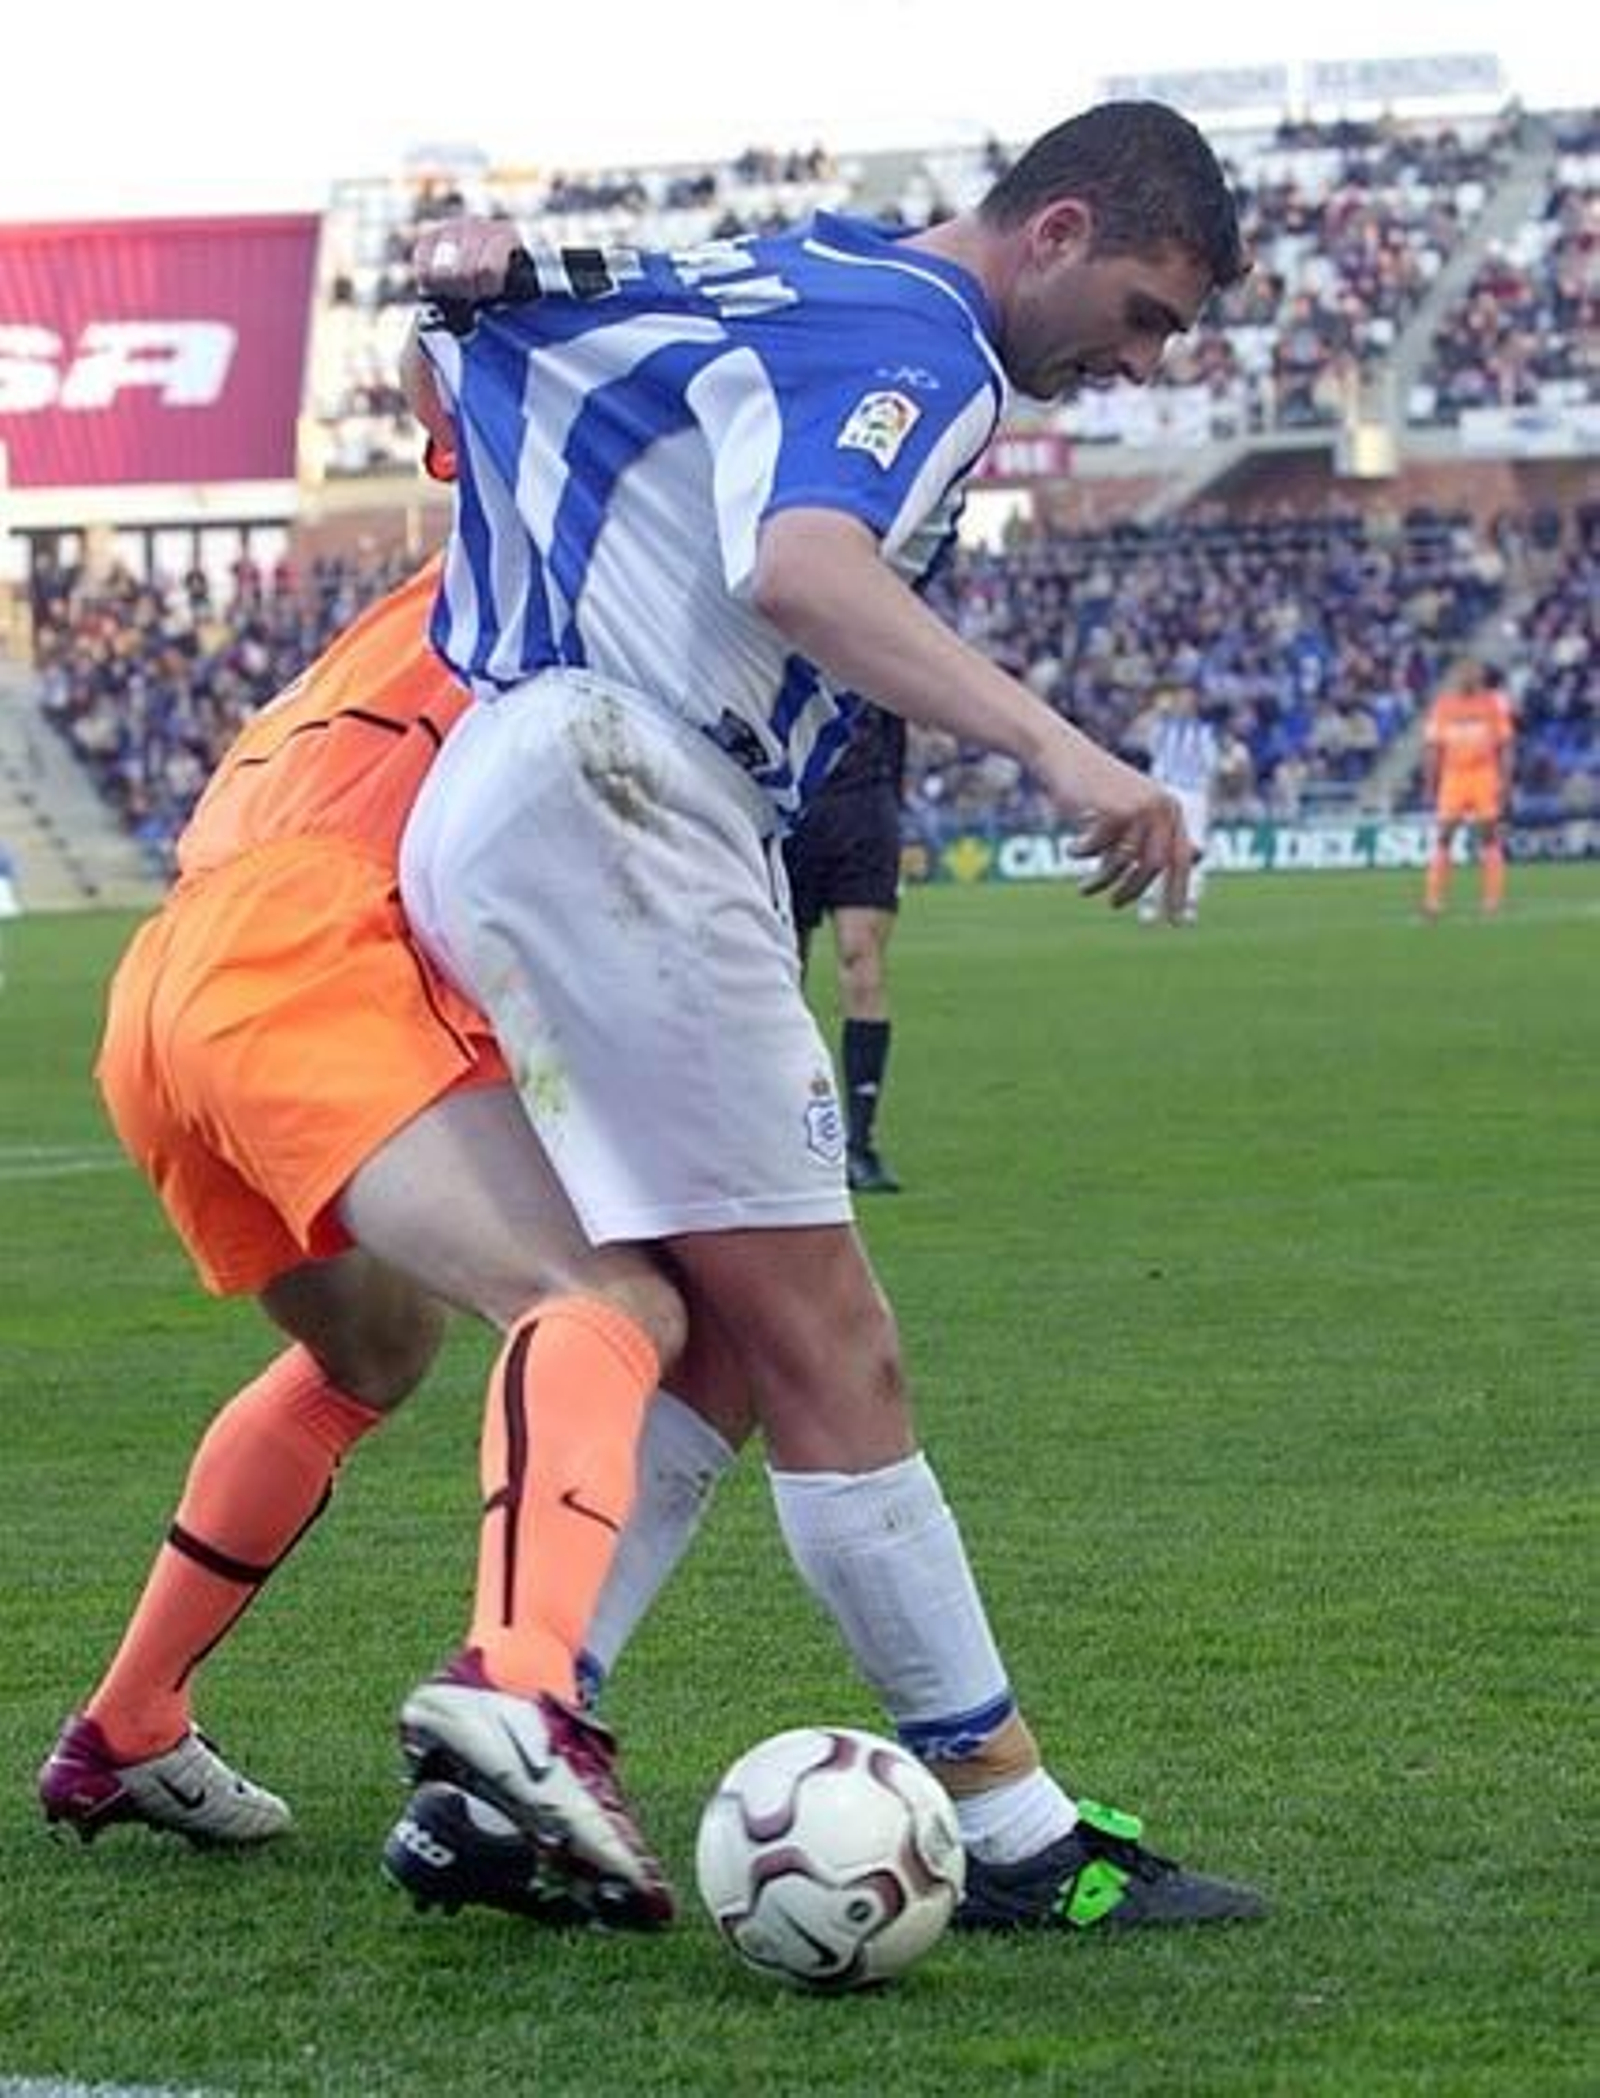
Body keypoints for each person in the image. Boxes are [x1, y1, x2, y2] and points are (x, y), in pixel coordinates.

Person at [398, 100, 1266, 1932]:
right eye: (1145, 311)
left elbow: (485, 310)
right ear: (1061, 226)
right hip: (626, 787)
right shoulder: (926, 337)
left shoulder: (797, 272)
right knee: (832, 1335)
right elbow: (797, 564)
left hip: (527, 786)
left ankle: (512, 1729)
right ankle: (1014, 1823)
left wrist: (470, 262)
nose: (1139, 361)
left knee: (711, 1333)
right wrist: (1064, 747)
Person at [36, 556, 754, 1928]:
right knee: (601, 1297)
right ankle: (526, 1684)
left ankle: (124, 1729)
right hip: (313, 941)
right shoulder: (581, 501)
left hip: (178, 967)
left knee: (374, 1349)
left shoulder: (506, 510)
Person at [782, 702, 907, 1193]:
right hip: (792, 805)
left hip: (864, 805)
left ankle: (860, 1144)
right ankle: (791, 1137)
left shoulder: (868, 636)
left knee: (863, 960)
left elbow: (897, 720)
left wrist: (890, 807)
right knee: (781, 974)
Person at [1422, 656, 1516, 918]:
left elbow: (1506, 745)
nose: (1467, 678)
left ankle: (1492, 900)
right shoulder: (1443, 706)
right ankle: (1433, 900)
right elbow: (1433, 747)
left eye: (1472, 673)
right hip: (1453, 776)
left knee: (1489, 835)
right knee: (1444, 836)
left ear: (1478, 678)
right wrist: (1430, 783)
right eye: (1463, 673)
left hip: (1484, 774)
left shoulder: (1492, 705)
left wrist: (1506, 781)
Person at [1136, 685, 1220, 926]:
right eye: (1179, 700)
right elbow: (1139, 732)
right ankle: (1150, 902)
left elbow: (1211, 769)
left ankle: (1188, 903)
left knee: (1194, 850)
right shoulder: (1161, 728)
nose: (1182, 704)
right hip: (1166, 790)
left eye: (1187, 700)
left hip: (1195, 794)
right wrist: (1156, 709)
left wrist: (1211, 802)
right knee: (1156, 846)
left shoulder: (1205, 732)